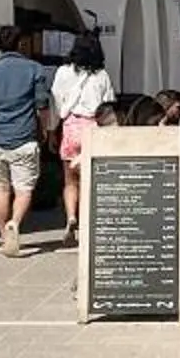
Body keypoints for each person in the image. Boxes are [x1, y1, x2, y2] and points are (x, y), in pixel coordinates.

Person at [0, 26, 59, 257]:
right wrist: (46, 130)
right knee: (24, 190)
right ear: (21, 44)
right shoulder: (34, 70)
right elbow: (41, 105)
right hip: (24, 138)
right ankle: (14, 224)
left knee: (1, 188)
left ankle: (2, 235)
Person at [51, 34, 115, 239]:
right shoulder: (102, 75)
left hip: (70, 126)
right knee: (90, 180)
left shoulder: (63, 72)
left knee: (70, 181)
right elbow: (108, 103)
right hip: (93, 128)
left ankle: (71, 217)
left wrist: (53, 129)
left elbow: (56, 100)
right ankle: (87, 221)